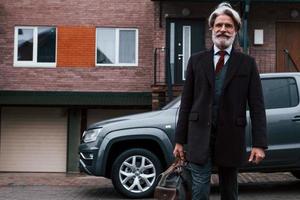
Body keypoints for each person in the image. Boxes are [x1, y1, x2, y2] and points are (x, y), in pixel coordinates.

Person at [173, 2, 268, 200]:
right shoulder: (196, 61)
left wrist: (259, 144)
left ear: (236, 30)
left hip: (231, 136)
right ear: (212, 29)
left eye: (228, 26)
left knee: (229, 191)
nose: (223, 29)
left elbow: (257, 106)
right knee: (199, 189)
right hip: (199, 134)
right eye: (219, 25)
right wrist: (179, 140)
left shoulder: (247, 64)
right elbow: (186, 103)